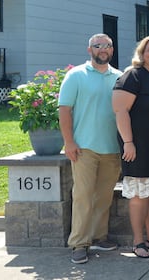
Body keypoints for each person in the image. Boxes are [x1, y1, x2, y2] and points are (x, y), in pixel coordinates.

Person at [59, 33, 123, 264]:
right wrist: (69, 142)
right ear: (90, 50)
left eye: (107, 46)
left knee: (104, 197)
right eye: (98, 46)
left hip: (112, 148)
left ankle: (98, 237)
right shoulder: (76, 75)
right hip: (84, 147)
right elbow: (64, 110)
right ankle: (79, 243)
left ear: (112, 50)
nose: (102, 49)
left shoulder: (120, 77)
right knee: (83, 196)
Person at [112, 36, 149, 259]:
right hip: (137, 145)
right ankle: (138, 241)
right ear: (142, 53)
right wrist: (128, 142)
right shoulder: (133, 76)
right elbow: (120, 110)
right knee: (139, 193)